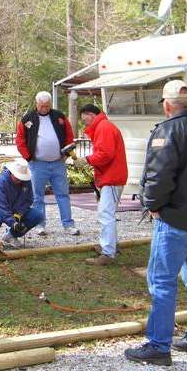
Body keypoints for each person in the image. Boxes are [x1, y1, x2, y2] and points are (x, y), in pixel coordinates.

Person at [125, 80, 187, 366]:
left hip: (175, 220)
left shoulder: (167, 131)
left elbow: (158, 176)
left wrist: (152, 205)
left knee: (162, 281)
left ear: (167, 105)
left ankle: (158, 345)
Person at [15, 91, 80, 236]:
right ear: (36, 104)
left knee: (63, 194)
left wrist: (67, 153)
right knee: (37, 196)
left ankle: (68, 224)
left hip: (58, 163)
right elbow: (20, 140)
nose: (44, 108)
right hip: (37, 164)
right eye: (41, 106)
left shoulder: (59, 117)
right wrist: (28, 157)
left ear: (50, 104)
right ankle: (39, 224)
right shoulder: (27, 119)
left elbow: (69, 136)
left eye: (47, 106)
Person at [72, 104, 127, 266]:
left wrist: (87, 160)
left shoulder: (104, 128)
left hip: (112, 177)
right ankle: (110, 246)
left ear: (90, 114)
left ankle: (108, 253)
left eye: (85, 120)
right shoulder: (105, 125)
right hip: (112, 176)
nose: (85, 124)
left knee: (105, 214)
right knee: (107, 213)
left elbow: (105, 154)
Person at [0, 158, 44, 248]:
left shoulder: (26, 182)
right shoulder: (0, 182)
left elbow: (29, 200)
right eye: (18, 177)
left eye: (21, 178)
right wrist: (13, 222)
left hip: (13, 208)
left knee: (37, 215)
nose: (20, 180)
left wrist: (19, 213)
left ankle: (11, 236)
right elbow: (1, 206)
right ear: (12, 172)